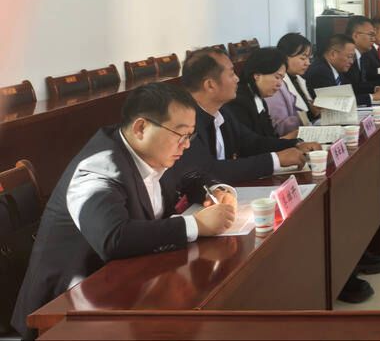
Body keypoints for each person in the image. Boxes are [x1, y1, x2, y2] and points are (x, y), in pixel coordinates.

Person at [11, 83, 237, 337]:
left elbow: (190, 175)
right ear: (141, 128)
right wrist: (197, 224)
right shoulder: (98, 169)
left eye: (190, 136)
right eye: (180, 135)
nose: (186, 145)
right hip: (68, 310)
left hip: (132, 286)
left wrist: (215, 191)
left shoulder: (152, 150)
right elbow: (114, 238)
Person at [181, 47, 315, 184]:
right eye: (231, 74)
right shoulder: (184, 121)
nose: (237, 79)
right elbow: (208, 170)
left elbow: (252, 142)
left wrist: (295, 144)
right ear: (210, 85)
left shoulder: (222, 111)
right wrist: (275, 160)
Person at [306, 33, 380, 106]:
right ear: (333, 54)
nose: (351, 61)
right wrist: (373, 97)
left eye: (353, 57)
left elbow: (352, 88)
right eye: (349, 56)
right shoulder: (320, 71)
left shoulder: (334, 69)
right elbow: (336, 102)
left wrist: (375, 89)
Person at [268, 32, 318, 133]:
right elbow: (279, 127)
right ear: (284, 58)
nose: (308, 63)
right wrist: (309, 114)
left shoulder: (297, 78)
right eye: (303, 58)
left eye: (309, 58)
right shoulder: (276, 85)